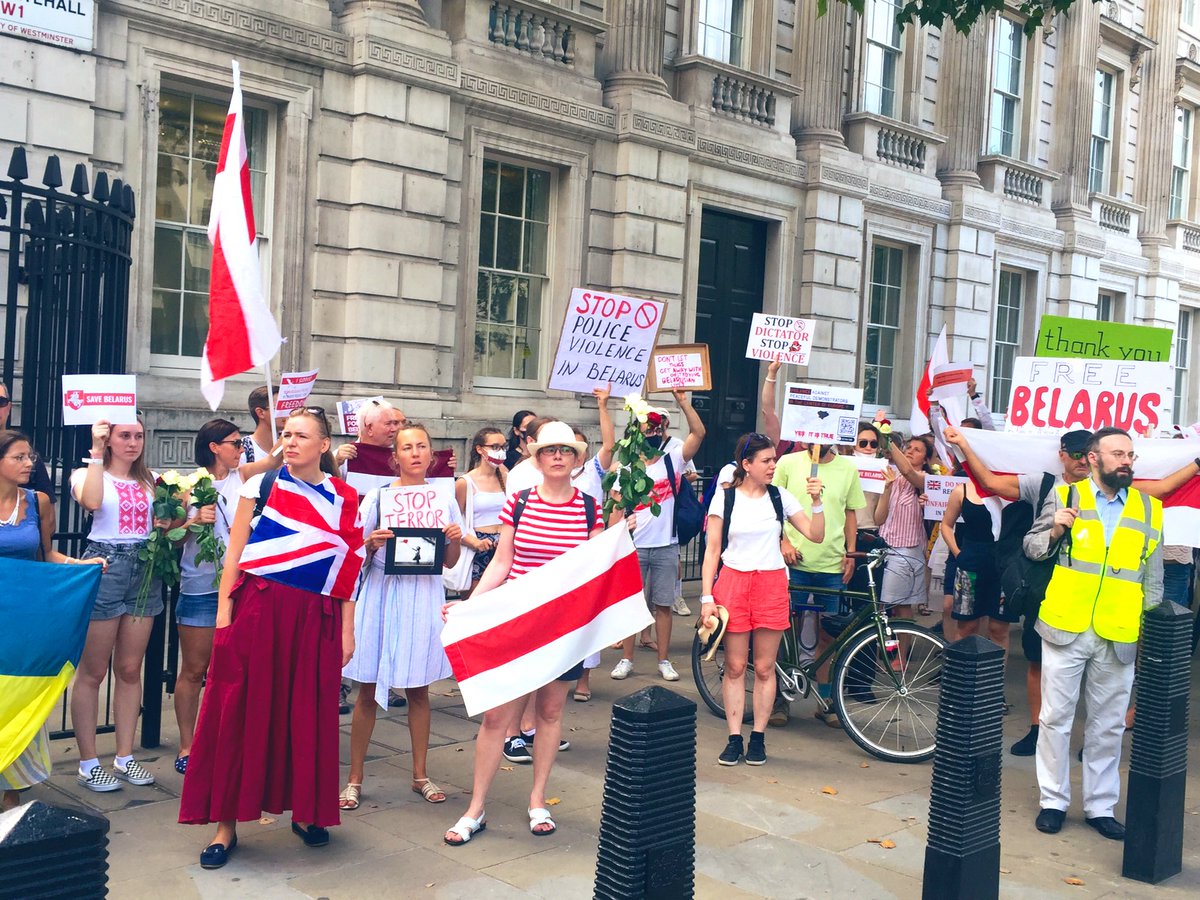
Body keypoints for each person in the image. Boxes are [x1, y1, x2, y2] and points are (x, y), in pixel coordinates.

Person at [179, 408, 364, 868]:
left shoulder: (345, 497)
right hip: (257, 609)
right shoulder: (260, 485)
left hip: (314, 617)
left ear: (324, 445)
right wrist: (224, 615)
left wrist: (347, 630)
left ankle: (308, 811)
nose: (292, 441)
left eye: (302, 435)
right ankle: (226, 825)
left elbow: (348, 572)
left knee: (308, 713)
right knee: (238, 711)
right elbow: (235, 554)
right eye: (287, 434)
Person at [942, 425, 1199, 756]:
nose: (1080, 460)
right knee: (1037, 662)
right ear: (1062, 454)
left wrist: (1197, 462)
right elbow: (992, 483)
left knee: (1099, 682)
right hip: (1045, 591)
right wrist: (963, 444)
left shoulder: (1121, 487)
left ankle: (1089, 745)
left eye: (1084, 453)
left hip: (1103, 606)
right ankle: (1037, 730)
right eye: (1074, 453)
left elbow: (1162, 488)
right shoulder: (1046, 484)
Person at [442, 420, 605, 846]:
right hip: (518, 622)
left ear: (575, 459)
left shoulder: (590, 507)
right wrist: (472, 604)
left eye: (565, 451)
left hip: (563, 627)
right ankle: (475, 808)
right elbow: (502, 562)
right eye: (549, 450)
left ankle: (538, 800)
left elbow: (595, 571)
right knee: (497, 717)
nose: (557, 456)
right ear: (536, 457)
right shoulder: (519, 501)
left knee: (551, 713)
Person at [1024, 427, 1163, 841]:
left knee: (1108, 725)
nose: (1126, 461)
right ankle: (1053, 801)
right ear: (1093, 458)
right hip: (1067, 624)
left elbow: (1152, 579)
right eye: (1118, 453)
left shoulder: (1149, 508)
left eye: (1131, 455)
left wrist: (1148, 631)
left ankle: (1100, 806)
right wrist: (1053, 532)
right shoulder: (1066, 497)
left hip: (1118, 632)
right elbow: (1031, 548)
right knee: (1054, 719)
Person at [340, 423, 464, 811]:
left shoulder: (443, 499)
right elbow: (356, 552)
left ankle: (420, 774)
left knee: (419, 690)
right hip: (382, 595)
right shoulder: (378, 498)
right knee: (367, 690)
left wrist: (455, 541)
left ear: (431, 455)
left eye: (421, 446)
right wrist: (371, 543)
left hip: (422, 596)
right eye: (407, 447)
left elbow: (448, 562)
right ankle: (355, 778)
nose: (414, 453)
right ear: (395, 457)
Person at [700, 433, 823, 766]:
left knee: (766, 668)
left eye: (774, 459)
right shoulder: (724, 499)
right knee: (736, 666)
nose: (773, 465)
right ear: (747, 464)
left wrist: (816, 502)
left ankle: (758, 737)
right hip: (734, 582)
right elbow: (712, 550)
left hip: (770, 583)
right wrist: (706, 598)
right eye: (767, 460)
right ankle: (734, 736)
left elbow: (815, 534)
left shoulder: (780, 498)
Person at [69, 418, 177, 793]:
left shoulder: (152, 481)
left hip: (144, 567)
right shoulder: (85, 473)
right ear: (109, 438)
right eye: (124, 435)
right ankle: (87, 762)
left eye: (138, 435)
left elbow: (177, 517)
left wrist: (171, 519)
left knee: (130, 668)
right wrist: (97, 452)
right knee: (93, 670)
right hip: (105, 563)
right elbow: (93, 502)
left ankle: (125, 756)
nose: (133, 443)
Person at [0, 430, 105, 810]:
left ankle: (12, 796)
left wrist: (83, 566)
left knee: (22, 696)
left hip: (25, 620)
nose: (30, 464)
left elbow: (47, 554)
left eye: (30, 456)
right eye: (19, 457)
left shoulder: (39, 501)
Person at [172, 418, 277, 776]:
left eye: (242, 444)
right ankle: (188, 745)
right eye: (235, 444)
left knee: (234, 670)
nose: (241, 449)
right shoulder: (187, 486)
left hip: (239, 586)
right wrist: (192, 522)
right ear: (214, 447)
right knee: (194, 669)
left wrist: (285, 419)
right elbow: (171, 538)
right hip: (200, 586)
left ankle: (225, 741)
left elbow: (275, 458)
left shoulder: (245, 477)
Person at [771, 440, 866, 728]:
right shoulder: (788, 463)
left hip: (831, 564)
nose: (819, 441)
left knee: (830, 634)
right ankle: (780, 698)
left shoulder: (847, 468)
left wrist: (851, 553)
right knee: (785, 632)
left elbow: (851, 513)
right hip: (794, 561)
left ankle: (825, 701)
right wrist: (783, 541)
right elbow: (774, 505)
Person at [611, 390, 705, 683]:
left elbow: (699, 433)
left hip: (666, 545)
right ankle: (627, 658)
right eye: (649, 426)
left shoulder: (672, 459)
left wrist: (683, 402)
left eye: (660, 426)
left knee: (663, 605)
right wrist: (614, 541)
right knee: (632, 604)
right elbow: (615, 505)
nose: (654, 430)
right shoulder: (627, 465)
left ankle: (663, 660)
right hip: (634, 546)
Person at [940, 474, 1014, 649]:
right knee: (966, 627)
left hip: (1003, 566)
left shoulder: (1012, 488)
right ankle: (961, 675)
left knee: (999, 629)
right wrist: (958, 553)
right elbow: (946, 525)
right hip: (970, 565)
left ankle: (995, 676)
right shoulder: (962, 490)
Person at [875, 434, 935, 620]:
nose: (910, 451)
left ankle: (902, 649)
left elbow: (909, 472)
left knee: (902, 606)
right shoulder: (891, 474)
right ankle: (881, 649)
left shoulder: (927, 479)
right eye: (908, 447)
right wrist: (887, 488)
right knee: (879, 607)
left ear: (925, 459)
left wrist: (886, 439)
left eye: (917, 450)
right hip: (883, 547)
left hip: (906, 550)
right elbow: (879, 518)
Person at [457, 427, 510, 597]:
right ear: (480, 449)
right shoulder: (465, 482)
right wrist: (474, 542)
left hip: (503, 544)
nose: (500, 452)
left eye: (503, 447)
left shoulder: (507, 478)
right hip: (477, 546)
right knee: (474, 602)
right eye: (494, 447)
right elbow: (454, 522)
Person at [335, 399, 406, 497]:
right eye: (388, 424)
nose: (395, 429)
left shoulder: (403, 454)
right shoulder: (344, 456)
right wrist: (335, 463)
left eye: (395, 423)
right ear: (370, 429)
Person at [0, 383, 53, 496]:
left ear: (9, 408)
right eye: (18, 458)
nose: (27, 463)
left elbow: (46, 509)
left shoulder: (29, 457)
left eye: (0, 402)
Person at [240, 386, 284, 465]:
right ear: (260, 412)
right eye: (280, 408)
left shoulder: (288, 447)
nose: (286, 413)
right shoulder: (243, 449)